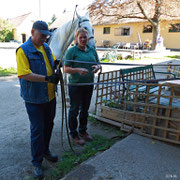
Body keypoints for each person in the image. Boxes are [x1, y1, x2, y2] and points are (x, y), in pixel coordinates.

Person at [16, 20, 59, 179]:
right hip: (34, 99)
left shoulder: (46, 47)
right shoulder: (23, 50)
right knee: (37, 129)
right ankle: (37, 162)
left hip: (50, 96)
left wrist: (57, 64)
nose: (44, 39)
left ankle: (45, 151)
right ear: (33, 32)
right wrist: (48, 78)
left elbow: (52, 61)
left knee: (48, 126)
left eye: (46, 36)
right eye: (42, 35)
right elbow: (24, 74)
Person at [64, 27, 101, 145]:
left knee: (85, 109)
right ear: (76, 38)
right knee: (74, 110)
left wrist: (97, 67)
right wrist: (78, 70)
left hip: (89, 84)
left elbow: (98, 64)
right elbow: (66, 69)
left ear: (88, 38)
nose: (83, 39)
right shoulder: (72, 51)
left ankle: (83, 131)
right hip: (76, 85)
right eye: (81, 37)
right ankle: (74, 134)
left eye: (85, 37)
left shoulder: (92, 50)